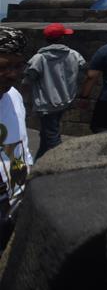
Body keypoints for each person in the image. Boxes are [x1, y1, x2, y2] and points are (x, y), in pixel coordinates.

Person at [22, 23, 86, 158]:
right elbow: (83, 72)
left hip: (46, 103)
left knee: (52, 138)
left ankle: (58, 165)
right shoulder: (74, 55)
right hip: (65, 100)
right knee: (48, 134)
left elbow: (28, 80)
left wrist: (25, 101)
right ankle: (39, 162)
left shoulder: (38, 59)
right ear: (62, 38)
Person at [0, 27, 33, 251]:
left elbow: (18, 146)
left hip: (13, 203)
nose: (13, 74)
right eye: (3, 67)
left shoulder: (13, 96)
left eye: (18, 66)